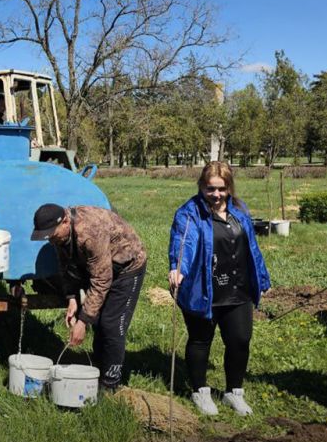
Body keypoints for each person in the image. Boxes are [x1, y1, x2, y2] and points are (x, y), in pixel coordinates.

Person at [168, 162, 271, 417]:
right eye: (210, 189)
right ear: (202, 186)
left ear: (229, 188)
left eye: (221, 189)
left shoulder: (239, 210)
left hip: (238, 288)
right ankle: (200, 391)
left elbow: (252, 247)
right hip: (204, 287)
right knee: (201, 340)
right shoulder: (189, 213)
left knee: (240, 340)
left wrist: (262, 276)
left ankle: (233, 392)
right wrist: (178, 268)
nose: (215, 195)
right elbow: (186, 242)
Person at [31, 201, 147, 393]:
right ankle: (98, 369)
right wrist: (72, 298)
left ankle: (110, 383)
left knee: (111, 326)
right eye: (47, 236)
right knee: (99, 321)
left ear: (66, 221)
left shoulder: (90, 232)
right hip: (99, 268)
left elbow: (101, 280)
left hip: (127, 267)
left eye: (52, 234)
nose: (50, 240)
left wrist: (82, 322)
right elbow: (66, 265)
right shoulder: (60, 236)